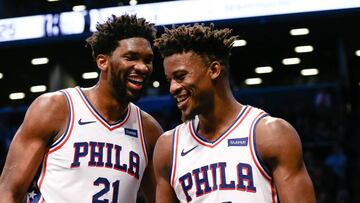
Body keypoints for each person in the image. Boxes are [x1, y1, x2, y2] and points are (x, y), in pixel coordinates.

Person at [0, 14, 163, 203]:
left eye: (148, 60)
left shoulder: (149, 130)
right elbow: (8, 190)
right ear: (103, 62)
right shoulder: (56, 108)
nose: (142, 67)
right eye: (131, 57)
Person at [153, 24, 316, 203]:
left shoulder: (270, 134)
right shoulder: (168, 147)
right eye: (170, 80)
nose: (173, 88)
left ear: (214, 70)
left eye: (181, 76)